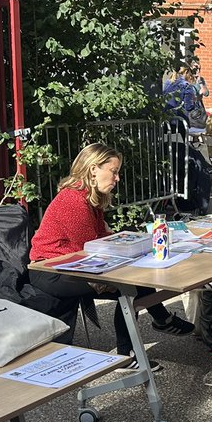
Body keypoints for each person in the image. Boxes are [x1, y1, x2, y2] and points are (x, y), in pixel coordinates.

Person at [30, 143, 194, 363]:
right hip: (51, 270)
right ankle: (130, 350)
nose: (117, 179)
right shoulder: (73, 201)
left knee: (136, 280)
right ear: (93, 169)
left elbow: (100, 239)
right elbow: (90, 249)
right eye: (114, 172)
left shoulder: (88, 197)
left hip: (70, 265)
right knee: (129, 286)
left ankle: (148, 333)